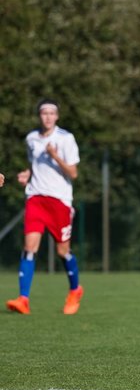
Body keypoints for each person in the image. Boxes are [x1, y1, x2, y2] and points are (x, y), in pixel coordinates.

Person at [7, 99, 83, 316]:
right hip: (36, 198)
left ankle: (75, 290)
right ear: (39, 116)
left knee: (63, 251)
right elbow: (34, 166)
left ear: (57, 117)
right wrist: (26, 174)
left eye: (52, 113)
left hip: (59, 201)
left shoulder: (66, 139)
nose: (48, 117)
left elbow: (73, 173)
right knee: (29, 247)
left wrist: (55, 155)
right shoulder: (31, 138)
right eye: (44, 113)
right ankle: (23, 299)